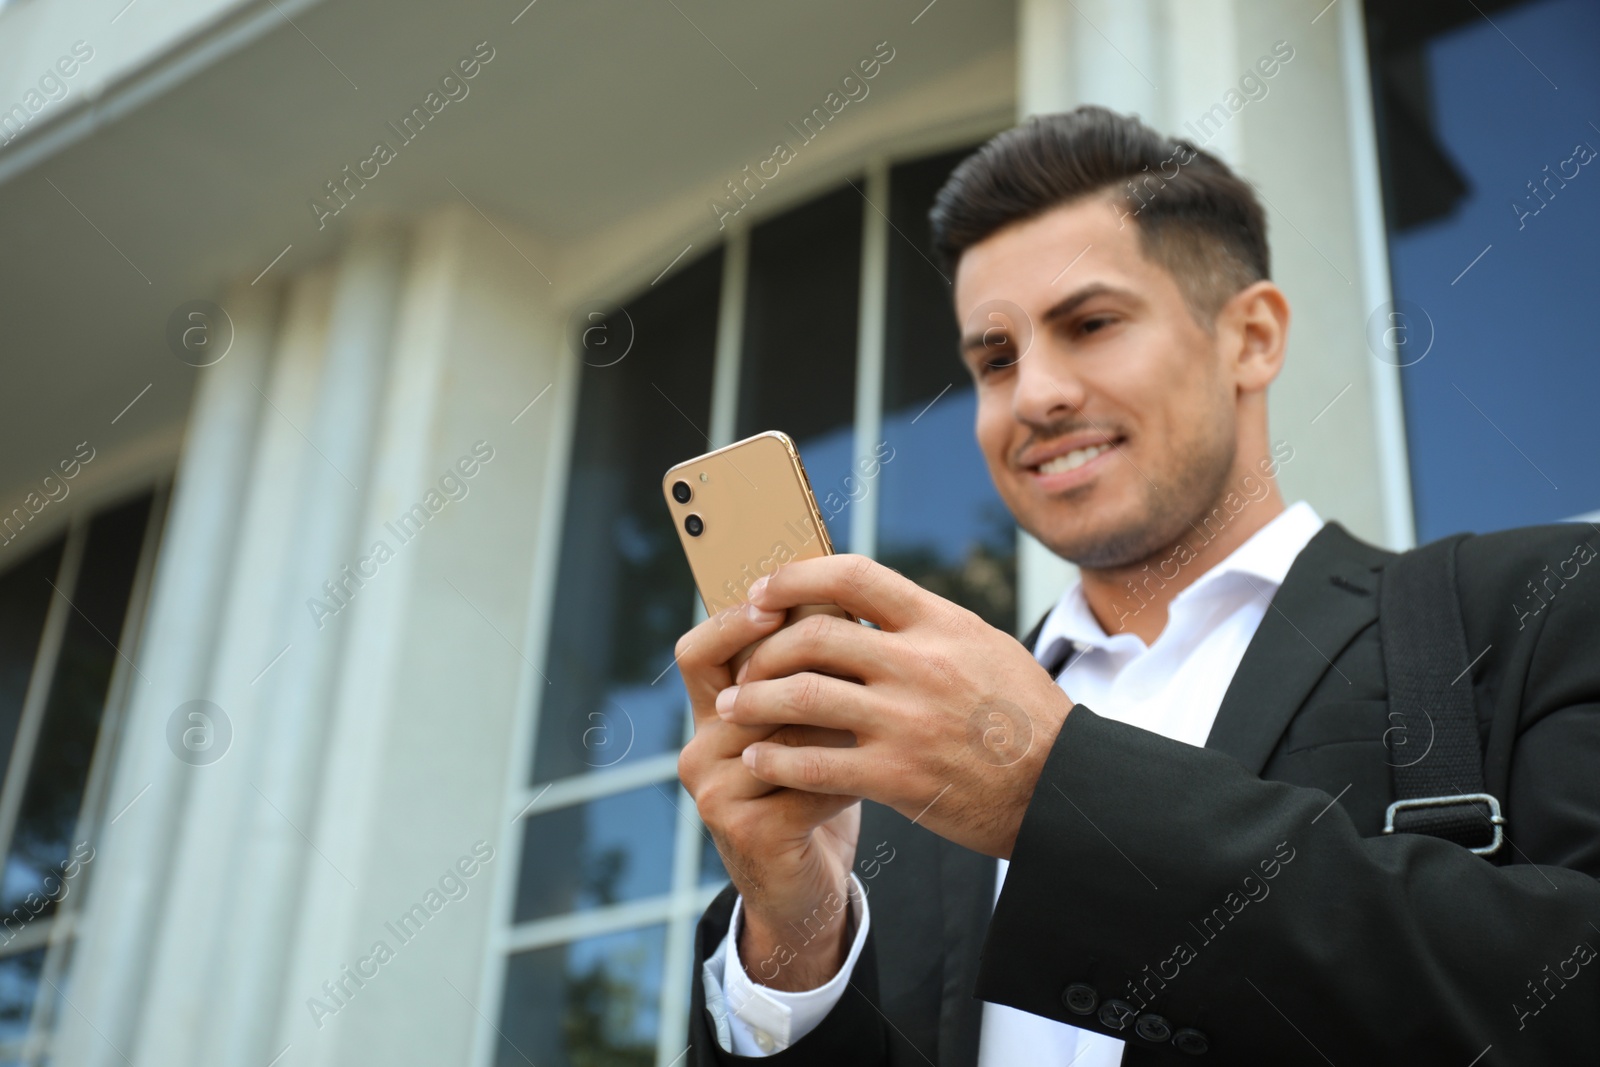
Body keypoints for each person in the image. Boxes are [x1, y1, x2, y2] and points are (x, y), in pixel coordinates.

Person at [673, 106, 1600, 1065]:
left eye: (1092, 323)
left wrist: (1051, 794)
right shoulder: (899, 776)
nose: (1034, 395)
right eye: (995, 358)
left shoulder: (1536, 606)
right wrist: (796, 941)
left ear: (1252, 336)